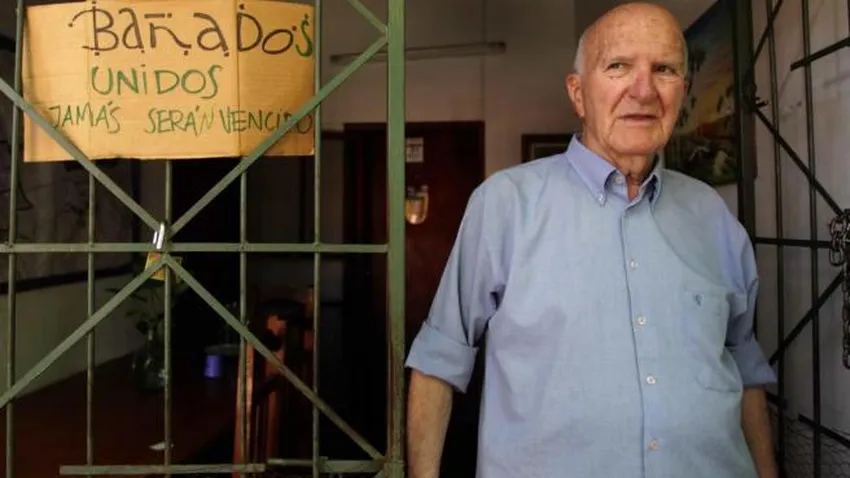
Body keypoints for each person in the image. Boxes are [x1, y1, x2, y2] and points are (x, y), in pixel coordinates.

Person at [404, 2, 779, 478]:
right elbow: (438, 362)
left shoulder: (714, 216)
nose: (643, 90)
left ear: (682, 92)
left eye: (664, 69)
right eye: (618, 66)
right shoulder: (504, 205)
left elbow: (744, 367)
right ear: (578, 94)